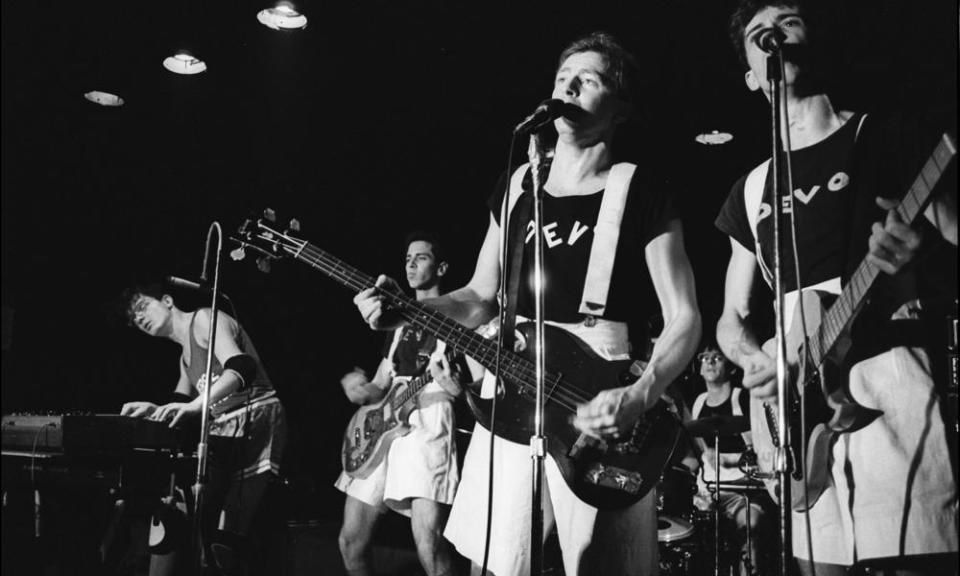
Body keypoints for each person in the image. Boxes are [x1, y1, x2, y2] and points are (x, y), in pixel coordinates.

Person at [353, 32, 701, 576]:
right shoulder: (518, 185)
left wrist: (641, 392)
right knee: (496, 559)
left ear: (619, 109)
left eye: (590, 79)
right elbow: (477, 296)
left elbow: (684, 316)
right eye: (563, 78)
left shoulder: (643, 191)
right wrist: (411, 310)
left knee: (603, 564)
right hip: (512, 378)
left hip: (599, 385)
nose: (570, 86)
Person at [717, 1, 958, 574]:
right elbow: (731, 316)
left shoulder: (891, 135)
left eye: (789, 21)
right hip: (797, 405)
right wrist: (757, 362)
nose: (774, 33)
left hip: (890, 375)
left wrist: (927, 249)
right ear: (752, 74)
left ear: (814, 43)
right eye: (758, 33)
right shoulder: (750, 189)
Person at [120, 281, 287, 576]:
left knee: (225, 532)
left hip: (255, 417)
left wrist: (197, 406)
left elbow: (241, 367)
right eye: (134, 319)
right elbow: (179, 403)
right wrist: (152, 409)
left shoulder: (205, 319)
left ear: (168, 300)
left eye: (142, 306)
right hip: (224, 429)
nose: (140, 318)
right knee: (191, 519)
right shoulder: (185, 358)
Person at [336, 232, 478, 576]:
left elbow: (471, 387)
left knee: (429, 544)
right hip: (384, 424)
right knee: (350, 542)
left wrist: (459, 389)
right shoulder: (396, 325)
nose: (410, 264)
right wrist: (358, 387)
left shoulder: (460, 319)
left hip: (431, 414)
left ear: (441, 267)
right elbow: (380, 385)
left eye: (422, 258)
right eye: (407, 259)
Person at [687, 343, 767, 576]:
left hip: (744, 489)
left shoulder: (742, 399)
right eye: (704, 358)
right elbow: (699, 453)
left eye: (717, 358)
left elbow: (762, 452)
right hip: (710, 489)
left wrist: (729, 459)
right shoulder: (699, 402)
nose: (709, 362)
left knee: (749, 526)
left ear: (731, 368)